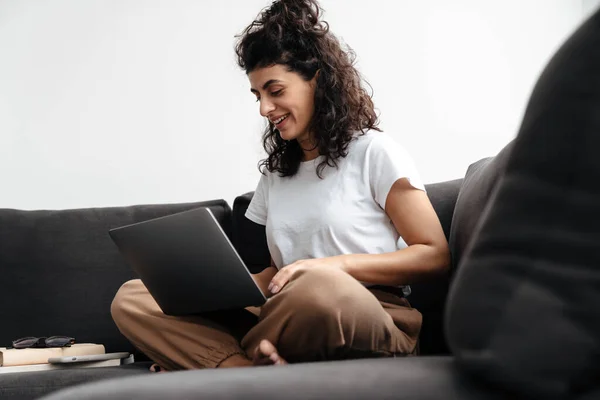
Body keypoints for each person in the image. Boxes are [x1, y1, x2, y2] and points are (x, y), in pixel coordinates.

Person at [110, 0, 450, 371]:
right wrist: (212, 289)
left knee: (320, 291)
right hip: (288, 311)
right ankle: (248, 369)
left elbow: (433, 254)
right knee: (133, 297)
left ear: (316, 80)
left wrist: (332, 267)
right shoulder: (277, 174)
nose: (264, 109)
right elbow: (278, 274)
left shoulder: (375, 152)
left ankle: (219, 365)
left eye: (275, 90)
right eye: (257, 95)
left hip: (367, 313)